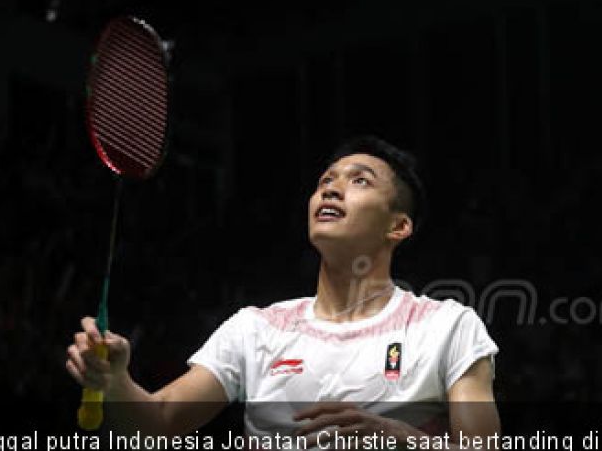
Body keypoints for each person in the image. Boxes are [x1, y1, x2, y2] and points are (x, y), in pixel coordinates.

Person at [66, 135, 500, 443]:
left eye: (360, 180)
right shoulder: (257, 330)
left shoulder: (446, 327)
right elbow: (159, 424)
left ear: (398, 226)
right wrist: (116, 382)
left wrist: (403, 440)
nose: (331, 187)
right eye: (325, 180)